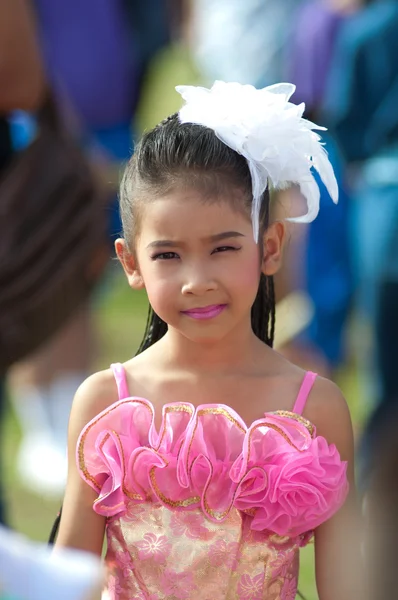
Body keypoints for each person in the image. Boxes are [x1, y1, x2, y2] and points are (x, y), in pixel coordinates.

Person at [55, 81, 361, 599]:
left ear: (269, 247)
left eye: (222, 248)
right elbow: (66, 577)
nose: (196, 279)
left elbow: (350, 585)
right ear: (131, 263)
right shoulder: (106, 404)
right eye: (168, 255)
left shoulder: (316, 408)